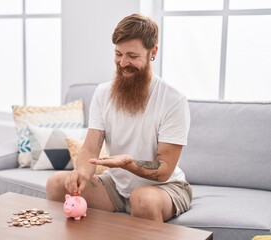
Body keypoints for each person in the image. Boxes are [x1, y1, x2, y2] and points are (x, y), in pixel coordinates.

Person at [46, 13, 192, 222]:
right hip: (116, 186)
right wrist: (82, 174)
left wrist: (128, 164)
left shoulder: (173, 99)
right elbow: (90, 147)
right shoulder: (103, 93)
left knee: (141, 199)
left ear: (153, 52)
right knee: (56, 184)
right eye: (118, 54)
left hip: (164, 189)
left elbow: (164, 170)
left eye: (132, 56)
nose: (123, 63)